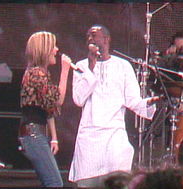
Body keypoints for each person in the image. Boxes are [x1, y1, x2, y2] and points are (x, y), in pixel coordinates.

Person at [69, 24, 159, 188]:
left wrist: (149, 103)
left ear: (106, 39)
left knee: (117, 182)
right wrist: (91, 66)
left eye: (94, 35)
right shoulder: (81, 66)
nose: (90, 38)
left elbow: (133, 100)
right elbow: (78, 99)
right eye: (88, 36)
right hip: (89, 136)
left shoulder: (123, 66)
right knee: (88, 184)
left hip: (114, 134)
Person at [19, 31, 71, 187]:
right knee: (54, 183)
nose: (56, 50)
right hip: (33, 134)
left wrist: (54, 137)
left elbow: (50, 108)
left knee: (51, 182)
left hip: (36, 133)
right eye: (53, 46)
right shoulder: (37, 74)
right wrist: (65, 70)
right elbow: (58, 100)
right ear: (44, 49)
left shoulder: (41, 73)